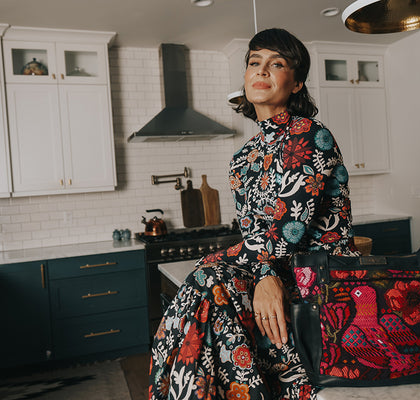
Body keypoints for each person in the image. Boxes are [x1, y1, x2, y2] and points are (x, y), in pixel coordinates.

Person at [149, 28, 359, 400]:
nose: (261, 71)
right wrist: (263, 275)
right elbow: (253, 234)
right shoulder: (243, 157)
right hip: (277, 271)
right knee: (210, 290)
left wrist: (218, 259)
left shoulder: (308, 135)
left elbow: (287, 233)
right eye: (254, 63)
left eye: (276, 64)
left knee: (209, 278)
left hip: (323, 279)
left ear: (295, 84)